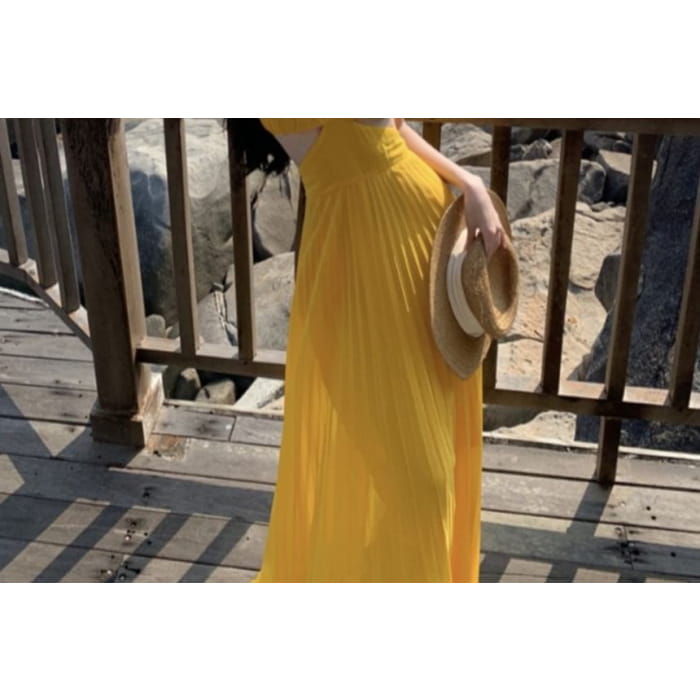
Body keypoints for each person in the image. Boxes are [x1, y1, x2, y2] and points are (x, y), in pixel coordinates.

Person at [232, 118, 505, 582]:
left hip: (420, 278)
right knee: (421, 479)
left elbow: (395, 129)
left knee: (436, 460)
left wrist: (469, 184)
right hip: (362, 289)